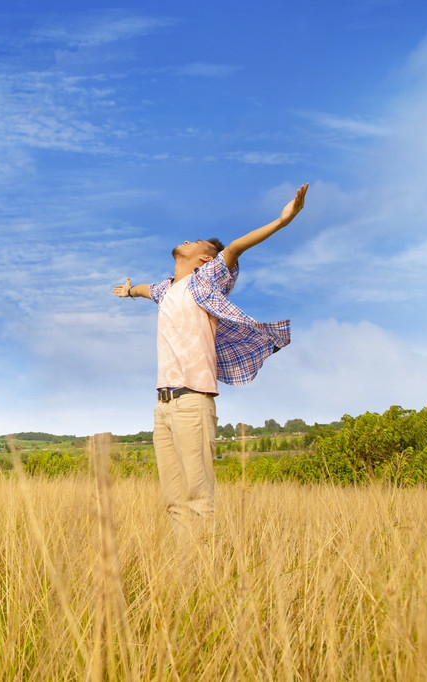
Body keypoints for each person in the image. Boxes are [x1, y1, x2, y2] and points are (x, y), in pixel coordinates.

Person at [112, 184, 308, 534]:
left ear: (206, 259)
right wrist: (129, 291)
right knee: (173, 501)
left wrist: (281, 221)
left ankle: (206, 575)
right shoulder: (166, 288)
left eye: (198, 241)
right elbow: (145, 290)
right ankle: (181, 576)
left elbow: (234, 248)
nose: (188, 240)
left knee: (197, 498)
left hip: (192, 402)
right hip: (163, 404)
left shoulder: (206, 280)